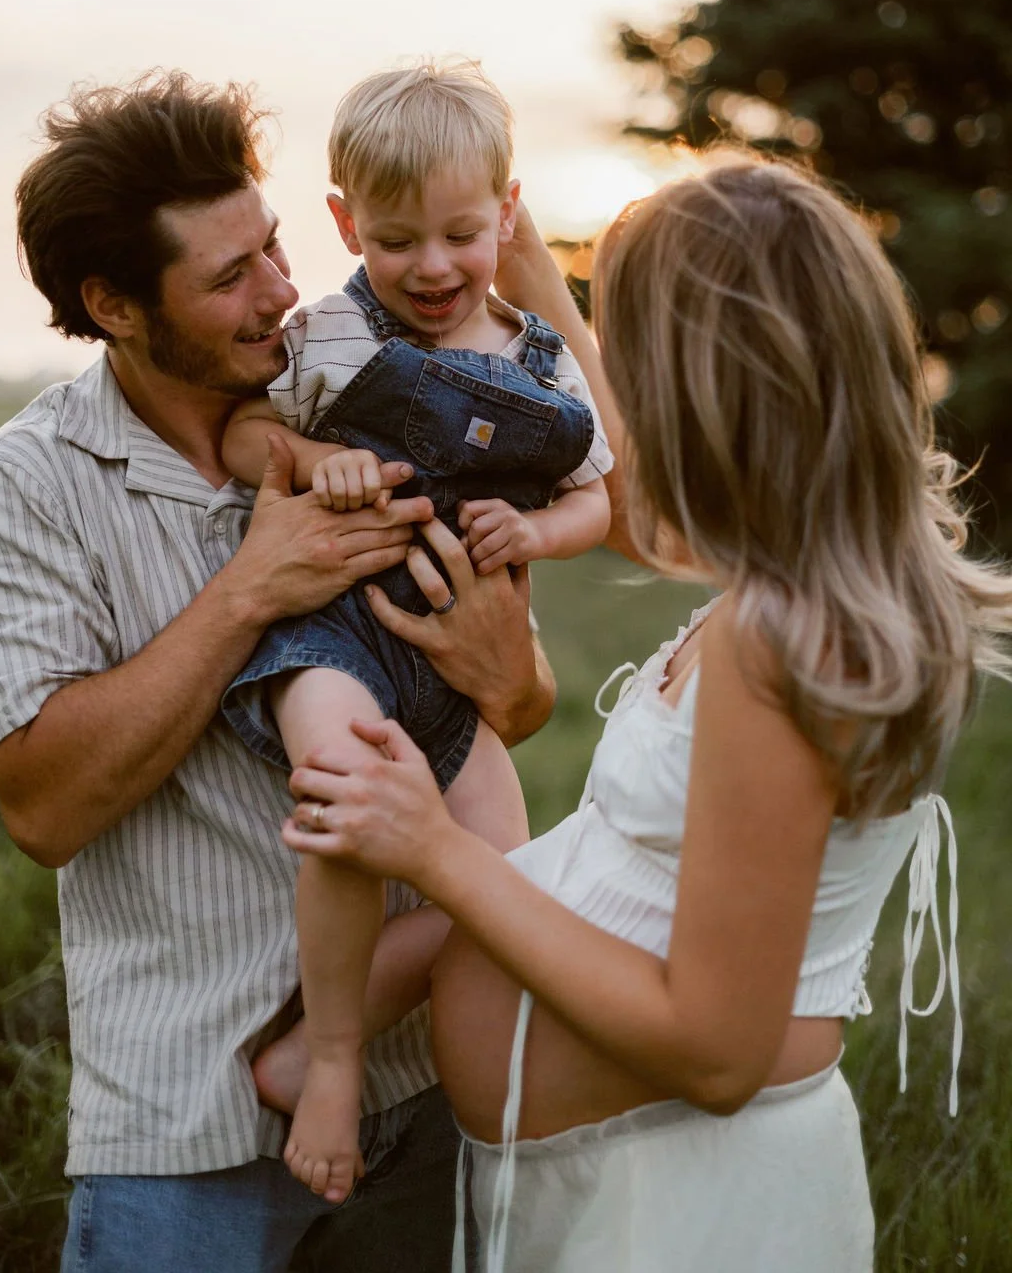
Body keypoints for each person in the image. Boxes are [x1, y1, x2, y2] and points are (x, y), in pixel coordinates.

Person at [280, 150, 1012, 1272]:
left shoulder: (790, 638)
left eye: (627, 348)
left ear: (703, 382)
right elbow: (650, 517)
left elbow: (715, 1052)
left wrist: (432, 851)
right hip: (620, 1178)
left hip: (676, 1205)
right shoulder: (803, 579)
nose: (602, 379)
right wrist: (550, 292)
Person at [0, 70, 609, 1273]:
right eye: (230, 278)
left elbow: (507, 708)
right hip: (187, 1119)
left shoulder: (373, 386)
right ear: (115, 305)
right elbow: (43, 808)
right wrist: (251, 593)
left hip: (432, 1080)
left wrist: (512, 679)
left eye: (273, 248)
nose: (281, 291)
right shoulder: (31, 483)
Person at [217, 60, 613, 1206]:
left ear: (506, 212)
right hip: (335, 640)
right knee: (342, 788)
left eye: (459, 234)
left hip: (456, 674)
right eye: (395, 240)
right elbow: (246, 434)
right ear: (346, 224)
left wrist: (539, 538)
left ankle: (325, 1053)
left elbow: (596, 493)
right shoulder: (330, 337)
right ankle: (333, 1064)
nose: (431, 267)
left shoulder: (538, 363)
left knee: (501, 889)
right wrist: (304, 460)